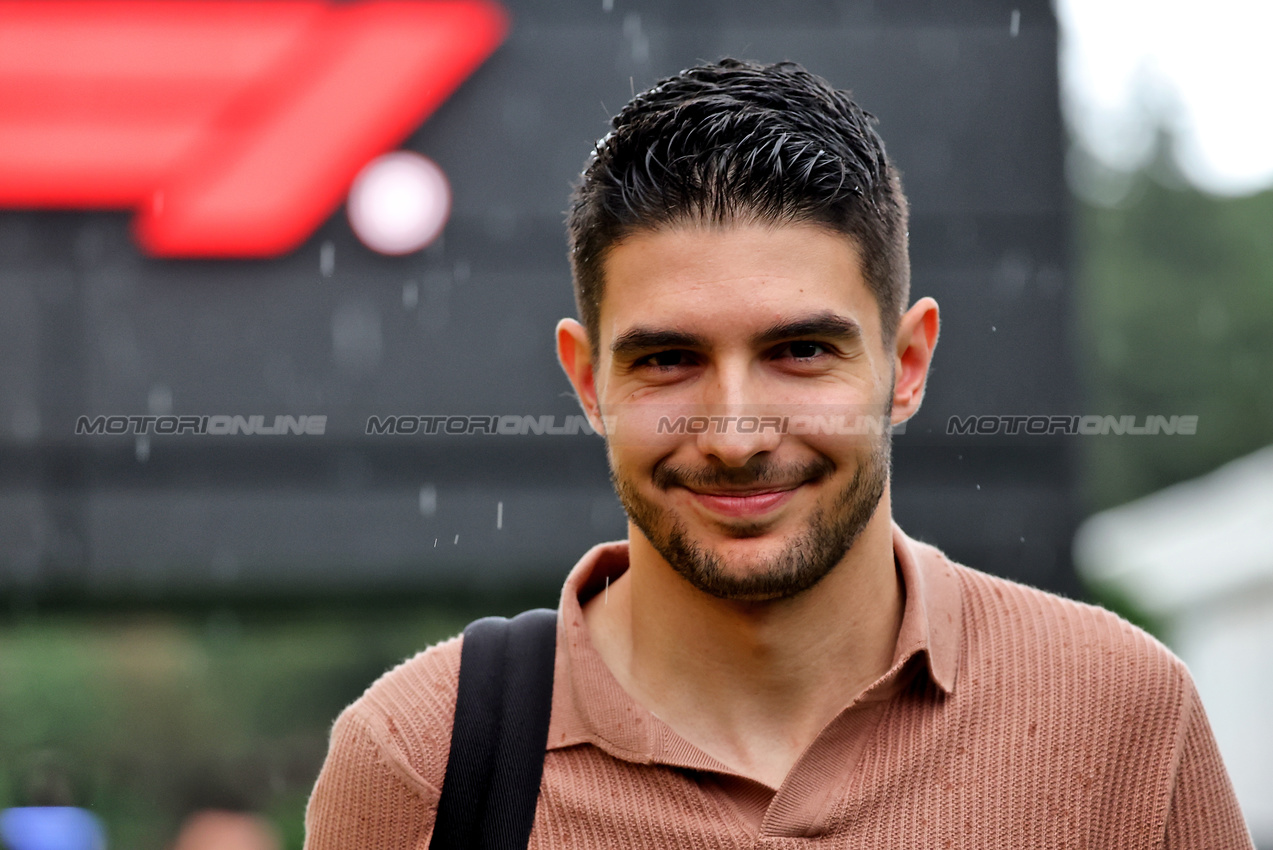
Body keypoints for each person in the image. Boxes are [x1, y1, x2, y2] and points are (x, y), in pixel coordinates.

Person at [304, 59, 1253, 848]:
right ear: (589, 382)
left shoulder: (1118, 712)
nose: (736, 434)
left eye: (800, 352)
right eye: (668, 360)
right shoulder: (422, 761)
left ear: (907, 363)